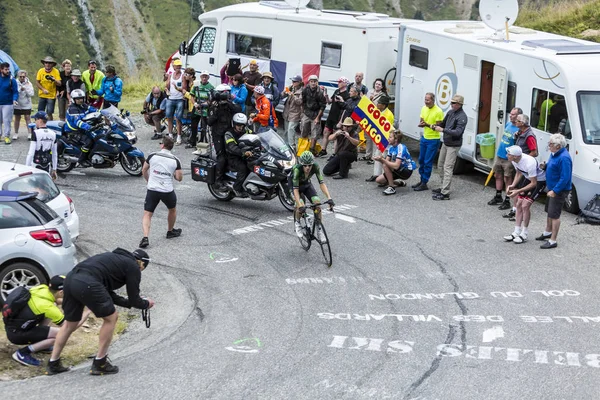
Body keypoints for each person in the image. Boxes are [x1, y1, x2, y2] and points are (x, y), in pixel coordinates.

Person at [47, 248, 154, 375]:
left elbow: (108, 293)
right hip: (88, 283)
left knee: (70, 324)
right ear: (141, 263)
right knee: (111, 318)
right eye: (142, 268)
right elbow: (135, 299)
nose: (140, 271)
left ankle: (53, 363)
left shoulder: (113, 259)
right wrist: (146, 304)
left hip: (70, 279)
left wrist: (128, 303)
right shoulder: (133, 267)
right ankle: (100, 362)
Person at [5, 276, 90, 367]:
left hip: (14, 325)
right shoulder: (47, 307)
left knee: (53, 305)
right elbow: (69, 327)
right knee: (59, 335)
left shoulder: (42, 288)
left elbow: (57, 300)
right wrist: (88, 310)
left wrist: (79, 302)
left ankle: (39, 343)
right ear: (61, 292)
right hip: (17, 334)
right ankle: (22, 353)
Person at [139, 136, 183, 248]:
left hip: (152, 189)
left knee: (147, 214)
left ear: (162, 145)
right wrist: (171, 173)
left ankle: (145, 237)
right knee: (172, 210)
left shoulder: (152, 156)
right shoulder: (175, 160)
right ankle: (170, 231)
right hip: (167, 190)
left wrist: (149, 181)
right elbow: (179, 178)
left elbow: (144, 170)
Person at [503, 145, 546, 244]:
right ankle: (516, 231)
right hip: (528, 178)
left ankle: (524, 233)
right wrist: (513, 185)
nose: (507, 155)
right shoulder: (514, 160)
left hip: (539, 181)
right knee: (518, 203)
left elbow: (534, 183)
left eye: (509, 154)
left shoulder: (529, 163)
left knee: (525, 205)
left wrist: (518, 191)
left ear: (515, 156)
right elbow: (519, 172)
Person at [537, 134, 572, 249]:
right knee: (549, 211)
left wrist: (555, 191)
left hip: (558, 190)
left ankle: (553, 240)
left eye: (550, 144)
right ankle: (548, 232)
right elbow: (554, 166)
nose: (549, 145)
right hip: (552, 188)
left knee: (554, 215)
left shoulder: (564, 158)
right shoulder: (555, 154)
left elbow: (565, 177)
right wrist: (545, 166)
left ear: (558, 146)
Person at [431, 94, 468, 200]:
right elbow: (443, 123)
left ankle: (445, 193)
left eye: (453, 103)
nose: (451, 104)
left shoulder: (462, 117)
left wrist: (442, 130)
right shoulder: (450, 112)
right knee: (440, 165)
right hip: (446, 143)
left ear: (459, 104)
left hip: (454, 145)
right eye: (451, 102)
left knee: (448, 168)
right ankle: (443, 186)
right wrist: (434, 126)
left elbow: (457, 132)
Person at [291, 151, 334, 242]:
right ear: (301, 164)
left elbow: (322, 183)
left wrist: (329, 198)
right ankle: (297, 223)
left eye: (309, 165)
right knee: (300, 204)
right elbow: (295, 190)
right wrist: (300, 205)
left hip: (306, 184)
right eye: (305, 165)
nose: (307, 168)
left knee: (317, 203)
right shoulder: (297, 170)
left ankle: (319, 228)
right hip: (295, 186)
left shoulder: (315, 167)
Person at [207, 84, 242, 187]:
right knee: (221, 157)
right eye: (224, 93)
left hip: (229, 133)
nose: (227, 94)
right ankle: (218, 180)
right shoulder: (214, 106)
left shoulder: (229, 104)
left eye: (228, 92)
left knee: (233, 153)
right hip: (218, 134)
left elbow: (238, 109)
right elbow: (209, 122)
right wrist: (217, 111)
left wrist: (228, 104)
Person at [488, 107, 521, 209]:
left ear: (518, 116)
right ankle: (498, 196)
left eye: (513, 114)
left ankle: (507, 199)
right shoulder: (508, 124)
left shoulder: (519, 129)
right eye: (510, 114)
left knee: (508, 178)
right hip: (500, 154)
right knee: (497, 175)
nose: (510, 116)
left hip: (509, 158)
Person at [413, 92, 444, 191]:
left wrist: (426, 124)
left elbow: (438, 127)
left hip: (433, 139)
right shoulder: (423, 108)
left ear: (433, 100)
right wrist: (422, 124)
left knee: (427, 162)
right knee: (421, 160)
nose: (426, 101)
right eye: (425, 99)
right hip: (425, 137)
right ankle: (422, 180)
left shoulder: (438, 111)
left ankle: (424, 182)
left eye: (428, 100)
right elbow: (422, 121)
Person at [373, 130, 416, 195]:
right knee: (378, 180)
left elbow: (396, 166)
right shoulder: (391, 148)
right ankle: (400, 183)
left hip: (406, 170)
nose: (388, 139)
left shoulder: (401, 148)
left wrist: (383, 160)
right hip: (398, 169)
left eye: (390, 137)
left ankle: (391, 187)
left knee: (385, 165)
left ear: (396, 139)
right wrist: (380, 159)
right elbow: (386, 162)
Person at [65, 89, 98, 166]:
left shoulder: (83, 105)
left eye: (81, 98)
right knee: (88, 142)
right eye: (78, 99)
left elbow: (93, 109)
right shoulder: (72, 109)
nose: (80, 100)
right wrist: (88, 127)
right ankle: (81, 159)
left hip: (82, 130)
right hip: (73, 131)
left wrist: (103, 113)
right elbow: (77, 122)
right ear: (73, 99)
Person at [365, 96, 395, 182]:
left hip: (385, 139)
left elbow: (385, 129)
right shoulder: (379, 111)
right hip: (379, 137)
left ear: (384, 105)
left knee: (384, 157)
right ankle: (376, 174)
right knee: (377, 155)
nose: (377, 104)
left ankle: (384, 176)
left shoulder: (388, 115)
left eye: (379, 103)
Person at [225, 113, 253, 197]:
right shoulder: (229, 134)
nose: (240, 127)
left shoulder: (246, 130)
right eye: (238, 125)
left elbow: (255, 135)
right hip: (233, 157)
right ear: (234, 124)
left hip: (246, 154)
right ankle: (237, 188)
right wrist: (243, 152)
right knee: (243, 168)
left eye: (242, 125)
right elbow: (232, 148)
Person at [320, 77, 350, 158]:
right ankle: (323, 150)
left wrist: (341, 121)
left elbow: (346, 108)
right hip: (331, 116)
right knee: (325, 132)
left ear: (345, 83)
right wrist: (326, 95)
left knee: (336, 136)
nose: (338, 83)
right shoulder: (336, 91)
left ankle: (334, 154)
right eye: (338, 82)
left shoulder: (347, 95)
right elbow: (329, 101)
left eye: (340, 82)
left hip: (338, 117)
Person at [25, 111, 58, 179]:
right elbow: (54, 154)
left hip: (35, 164)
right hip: (47, 165)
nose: (35, 122)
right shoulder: (53, 134)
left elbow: (31, 153)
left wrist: (26, 168)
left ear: (40, 120)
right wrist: (54, 169)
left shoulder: (36, 133)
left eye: (35, 120)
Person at [364, 78, 388, 162]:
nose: (377, 85)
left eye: (379, 84)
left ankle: (374, 156)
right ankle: (367, 154)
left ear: (382, 87)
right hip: (368, 117)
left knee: (375, 137)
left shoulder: (383, 95)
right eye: (376, 83)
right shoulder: (369, 92)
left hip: (376, 118)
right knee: (368, 137)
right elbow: (365, 103)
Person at [300, 75, 326, 154]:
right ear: (309, 82)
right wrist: (303, 111)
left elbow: (323, 106)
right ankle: (303, 149)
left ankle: (311, 150)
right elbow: (302, 101)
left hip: (316, 114)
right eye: (311, 81)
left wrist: (318, 118)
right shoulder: (305, 90)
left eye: (315, 81)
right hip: (307, 113)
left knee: (315, 134)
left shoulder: (320, 92)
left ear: (317, 82)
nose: (313, 83)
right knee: (303, 131)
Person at [189, 71, 214, 147]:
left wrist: (205, 104)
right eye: (203, 76)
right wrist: (195, 103)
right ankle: (192, 141)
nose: (204, 78)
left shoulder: (211, 87)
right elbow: (192, 96)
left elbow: (211, 100)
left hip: (205, 110)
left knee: (204, 127)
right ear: (200, 77)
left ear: (208, 78)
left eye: (206, 77)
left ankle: (201, 142)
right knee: (193, 125)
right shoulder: (196, 85)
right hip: (196, 108)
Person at [281, 75, 304, 150]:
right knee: (286, 131)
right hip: (287, 112)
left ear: (299, 82)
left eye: (295, 81)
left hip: (295, 113)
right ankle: (285, 147)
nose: (293, 82)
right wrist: (285, 92)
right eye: (292, 81)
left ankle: (292, 147)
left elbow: (300, 102)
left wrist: (292, 95)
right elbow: (281, 96)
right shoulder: (291, 88)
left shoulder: (302, 91)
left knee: (291, 130)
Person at [35, 56, 62, 121]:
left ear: (52, 64)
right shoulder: (40, 71)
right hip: (42, 95)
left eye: (49, 63)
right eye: (46, 63)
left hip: (51, 96)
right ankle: (39, 126)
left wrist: (54, 80)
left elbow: (59, 83)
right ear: (44, 63)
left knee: (49, 112)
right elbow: (37, 82)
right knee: (40, 112)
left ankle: (50, 126)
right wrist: (43, 89)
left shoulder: (56, 71)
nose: (47, 64)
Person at [165, 59, 185, 144]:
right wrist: (166, 89)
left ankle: (179, 136)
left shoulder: (182, 76)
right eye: (177, 66)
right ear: (174, 67)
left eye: (179, 66)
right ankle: (170, 135)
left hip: (179, 99)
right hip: (171, 98)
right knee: (169, 117)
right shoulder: (170, 75)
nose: (178, 68)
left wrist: (177, 88)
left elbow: (184, 88)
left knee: (178, 118)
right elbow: (167, 86)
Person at [13, 70, 34, 140]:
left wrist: (25, 90)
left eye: (23, 76)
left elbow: (31, 94)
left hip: (26, 103)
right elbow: (13, 91)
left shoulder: (29, 83)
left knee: (27, 117)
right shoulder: (15, 82)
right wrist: (19, 89)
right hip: (17, 103)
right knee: (17, 118)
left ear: (25, 76)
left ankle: (30, 133)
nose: (22, 78)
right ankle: (16, 133)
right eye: (20, 76)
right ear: (18, 76)